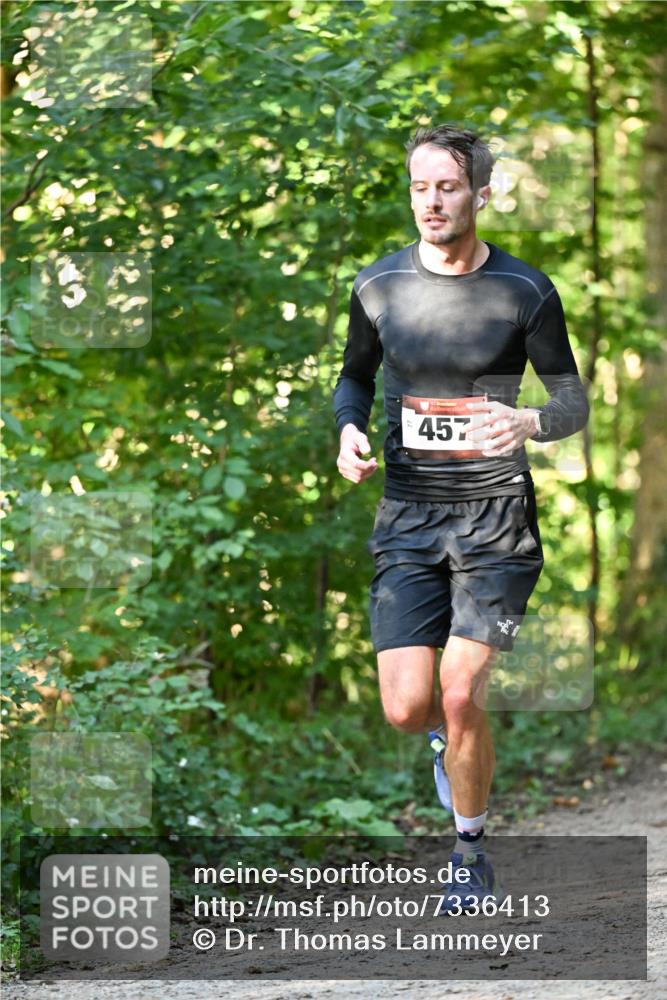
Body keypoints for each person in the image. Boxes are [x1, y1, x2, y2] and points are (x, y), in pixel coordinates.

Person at [333, 123, 589, 911]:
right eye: (420, 187)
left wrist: (530, 421)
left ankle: (468, 853)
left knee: (459, 689)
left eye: (446, 187)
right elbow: (353, 377)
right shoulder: (378, 286)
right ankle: (447, 739)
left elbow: (571, 400)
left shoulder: (523, 291)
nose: (431, 202)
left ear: (481, 193)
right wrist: (347, 430)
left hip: (495, 521)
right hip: (409, 516)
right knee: (407, 707)